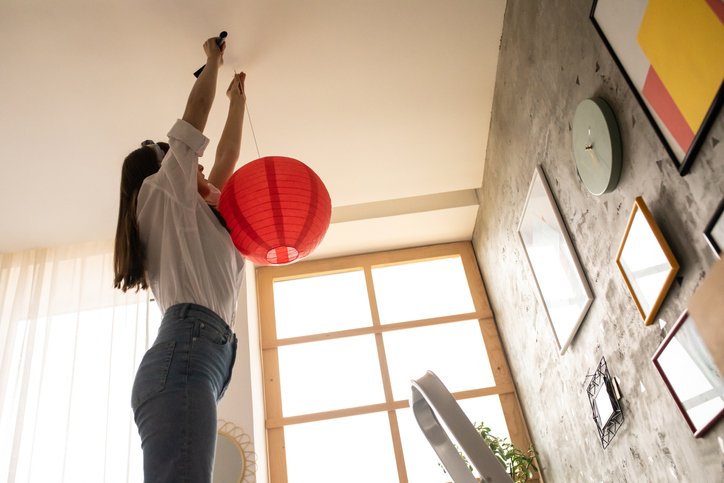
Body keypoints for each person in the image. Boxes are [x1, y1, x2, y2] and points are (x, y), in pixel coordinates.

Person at [113, 36, 246, 482]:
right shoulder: (159, 195)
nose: (202, 169)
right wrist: (212, 61)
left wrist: (238, 101)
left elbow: (226, 156)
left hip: (195, 358)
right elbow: (192, 120)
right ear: (166, 168)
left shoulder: (196, 215)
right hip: (188, 355)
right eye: (188, 164)